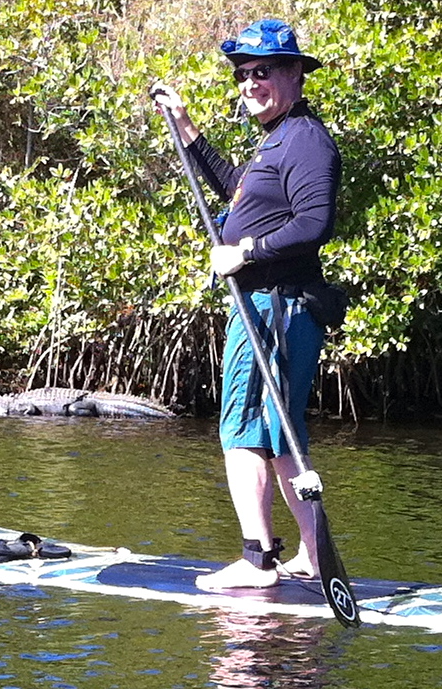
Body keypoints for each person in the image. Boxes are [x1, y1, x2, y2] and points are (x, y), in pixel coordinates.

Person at [153, 19, 342, 591]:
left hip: (275, 306)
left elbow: (314, 224)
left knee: (242, 430)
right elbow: (239, 188)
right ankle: (312, 556)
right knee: (280, 436)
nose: (250, 83)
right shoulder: (278, 139)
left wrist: (245, 251)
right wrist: (187, 129)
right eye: (243, 74)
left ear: (294, 74)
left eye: (263, 71)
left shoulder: (306, 139)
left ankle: (258, 561)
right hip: (270, 304)